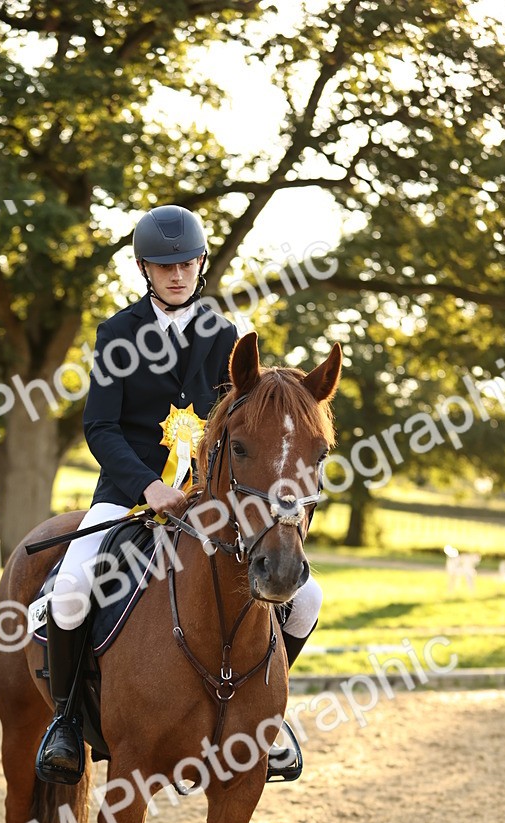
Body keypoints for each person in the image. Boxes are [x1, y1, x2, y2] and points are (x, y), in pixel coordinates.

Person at [35, 204, 321, 786]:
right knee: (70, 588)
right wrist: (150, 486)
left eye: (186, 263)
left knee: (307, 598)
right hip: (129, 492)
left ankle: (271, 717)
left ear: (200, 265)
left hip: (210, 501)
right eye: (164, 265)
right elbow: (101, 428)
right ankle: (65, 721)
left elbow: (248, 424)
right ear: (144, 267)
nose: (176, 274)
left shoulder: (226, 339)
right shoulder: (117, 334)